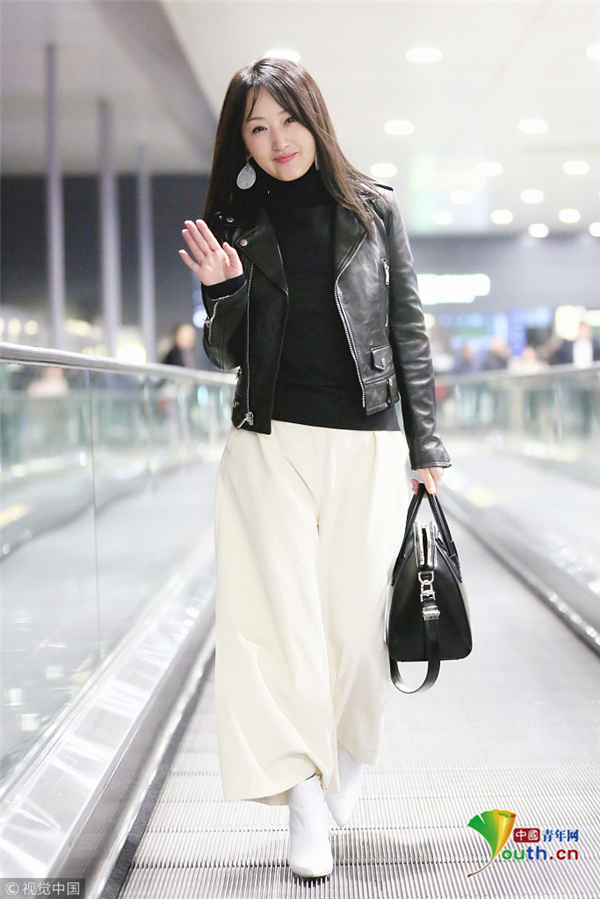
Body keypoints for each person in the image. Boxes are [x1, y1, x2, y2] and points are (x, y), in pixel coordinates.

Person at [178, 57, 451, 880]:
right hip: (267, 443)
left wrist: (426, 446)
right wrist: (221, 294)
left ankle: (353, 752)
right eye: (257, 128)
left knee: (355, 626)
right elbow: (225, 353)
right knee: (277, 629)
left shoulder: (374, 209)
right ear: (241, 140)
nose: (277, 141)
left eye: (288, 121)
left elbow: (407, 329)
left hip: (367, 442)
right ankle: (302, 801)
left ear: (314, 117)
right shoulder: (233, 219)